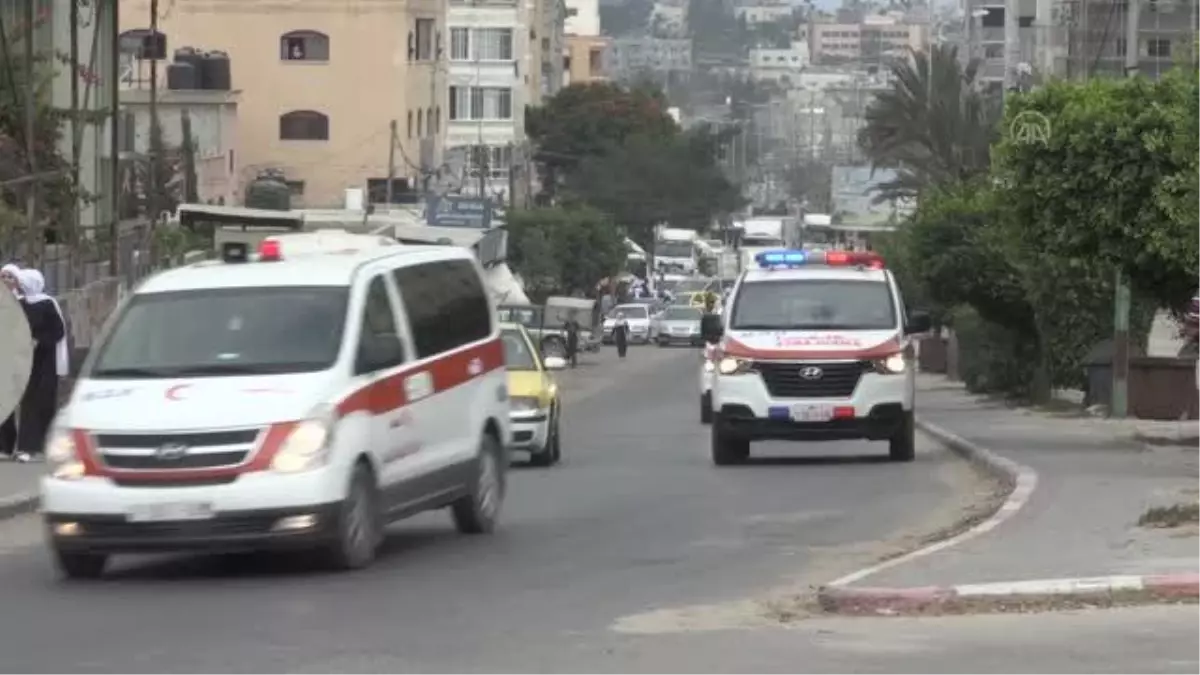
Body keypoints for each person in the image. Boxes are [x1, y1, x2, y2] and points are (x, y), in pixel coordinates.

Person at [13, 269, 66, 463]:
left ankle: (45, 447)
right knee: (27, 403)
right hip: (26, 361)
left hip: (46, 361)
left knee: (43, 402)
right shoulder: (19, 303)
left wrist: (39, 341)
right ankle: (26, 447)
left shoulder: (47, 303)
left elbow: (58, 331)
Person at [0, 263, 20, 458]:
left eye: (9, 277)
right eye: (2, 276)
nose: (5, 280)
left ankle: (8, 446)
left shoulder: (21, 303)